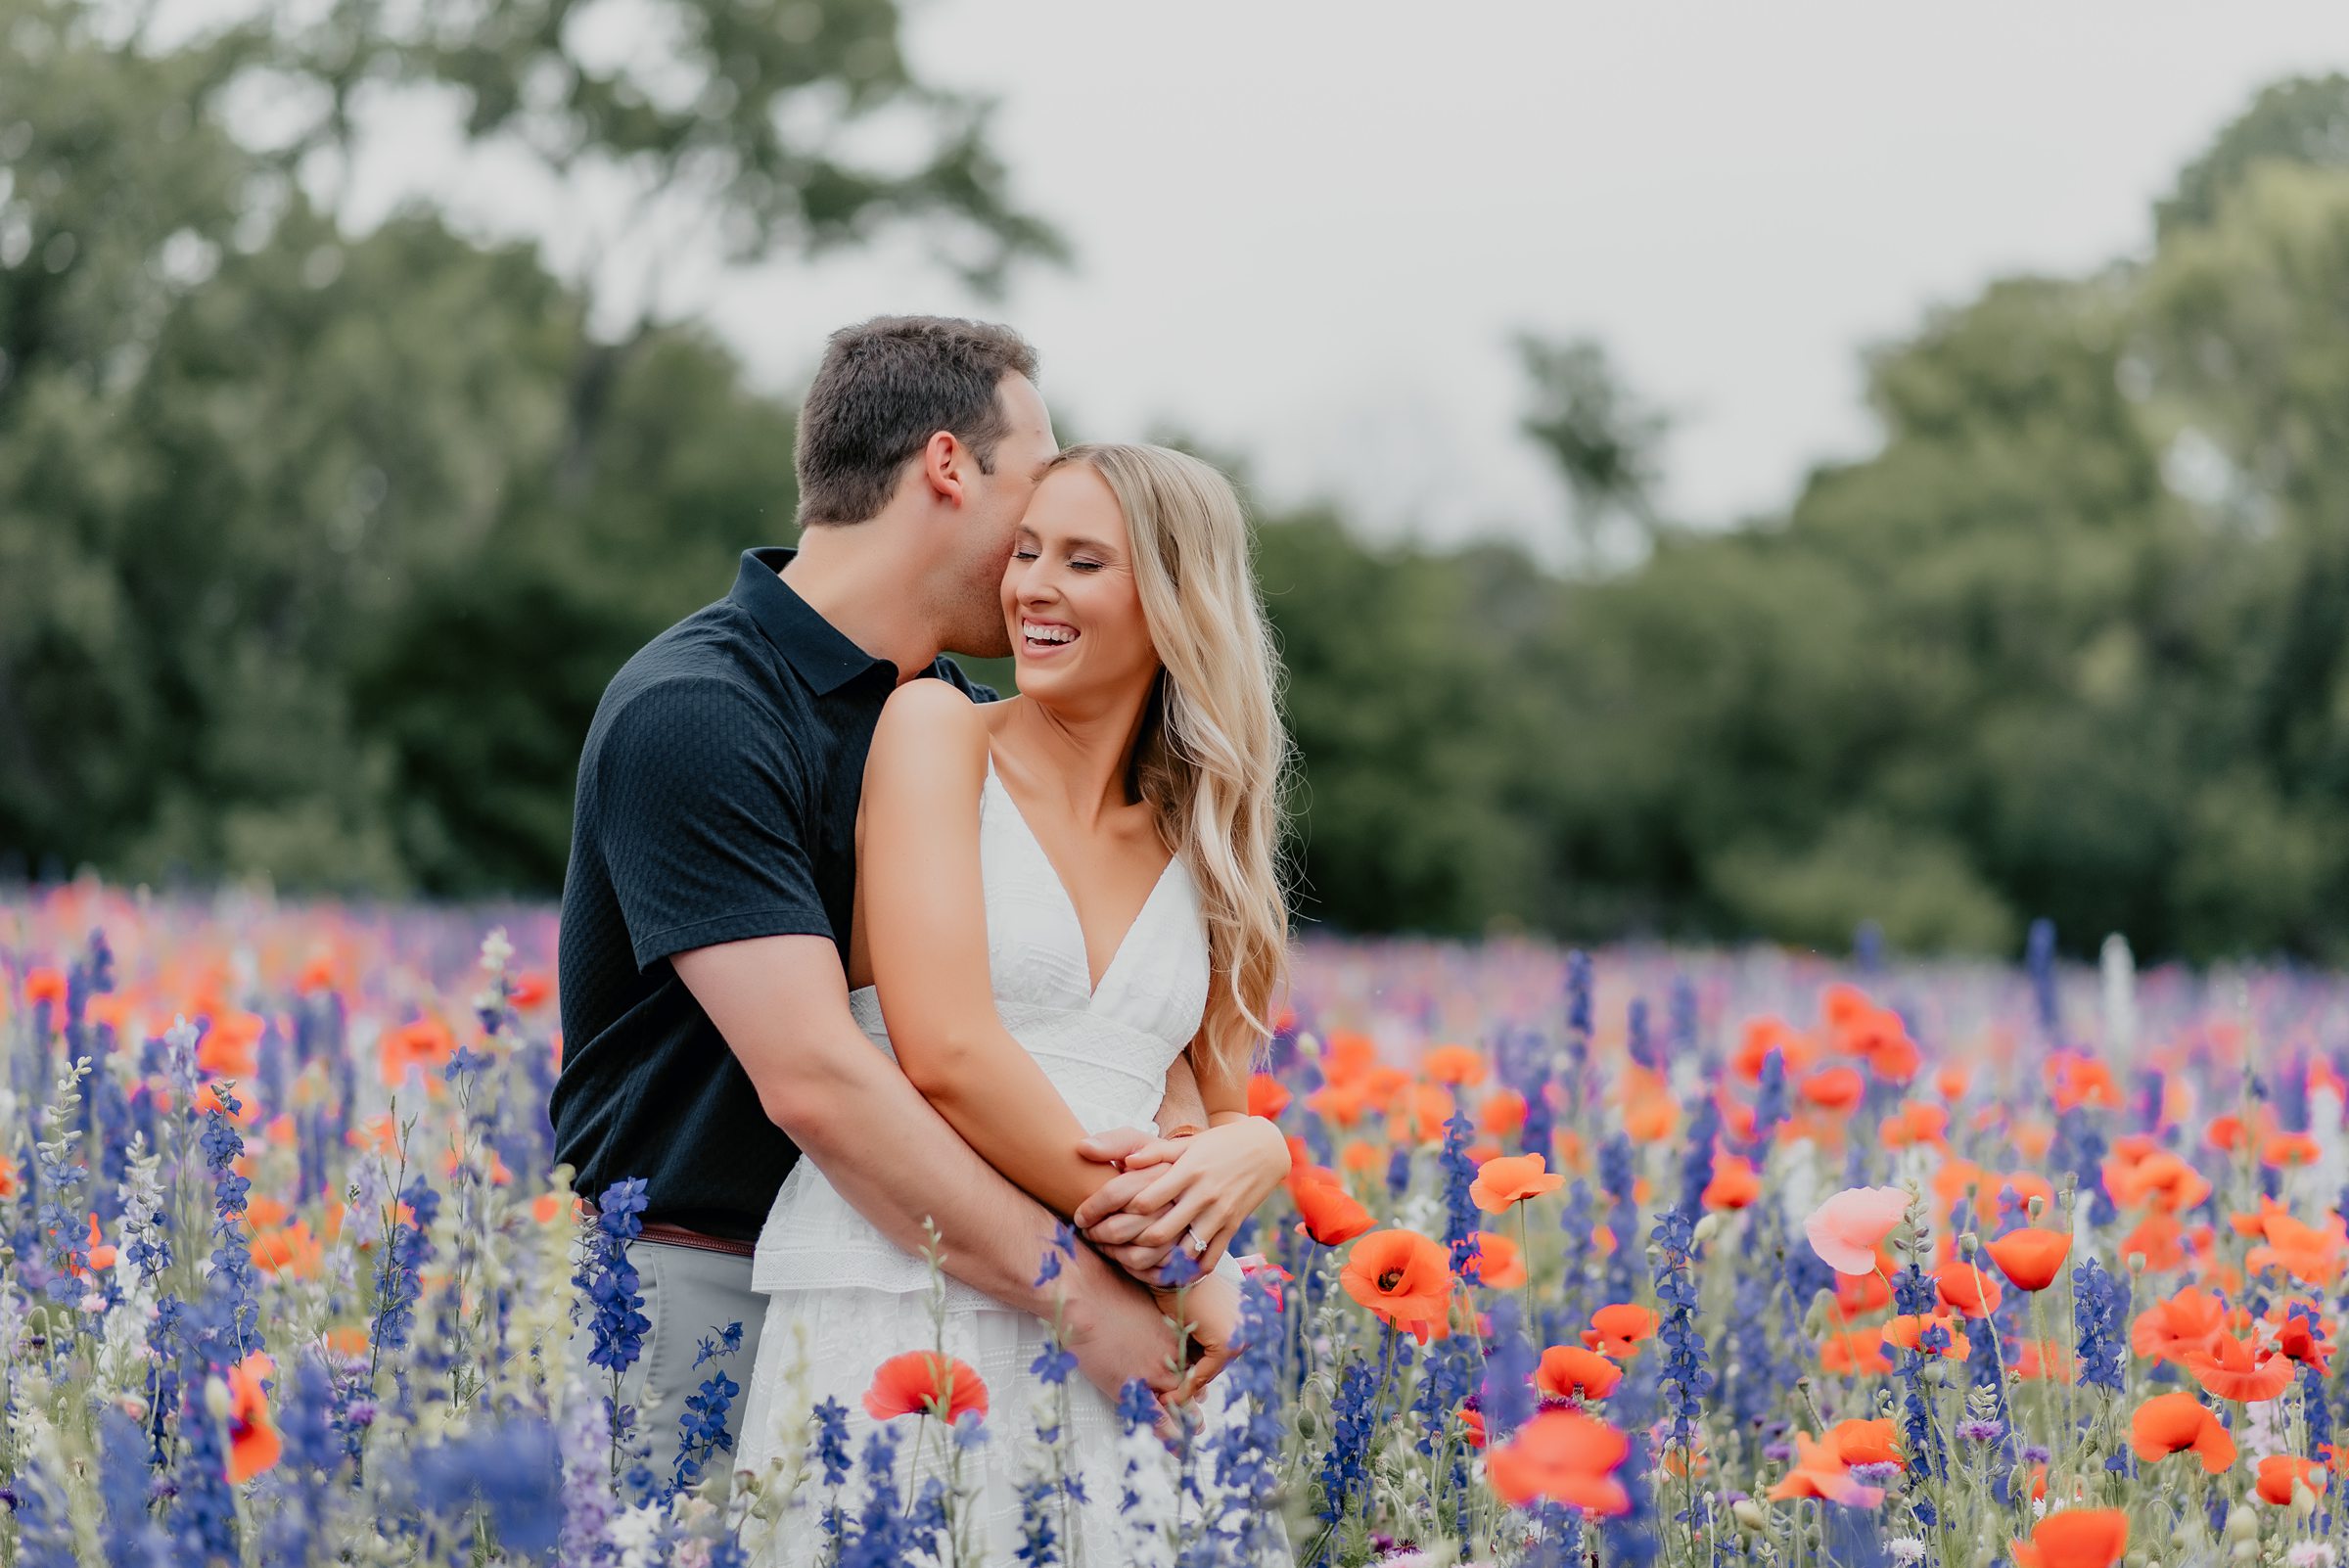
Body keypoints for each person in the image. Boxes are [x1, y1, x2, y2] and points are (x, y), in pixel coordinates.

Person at [550, 318, 1216, 1487]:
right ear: (951, 468)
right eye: (1039, 470)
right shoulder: (701, 707)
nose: (1050, 521)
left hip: (944, 1281)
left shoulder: (961, 719)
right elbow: (819, 1079)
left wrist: (1241, 1150)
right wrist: (1090, 1296)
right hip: (701, 1285)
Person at [736, 441, 1296, 1565]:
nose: (1032, 586)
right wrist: (1167, 1259)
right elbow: (945, 1048)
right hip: (919, 1286)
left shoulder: (1206, 835)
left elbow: (1198, 1102)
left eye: (1083, 561)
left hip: (1144, 1322)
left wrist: (1258, 1155)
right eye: (1028, 550)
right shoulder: (936, 731)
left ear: (1175, 603)